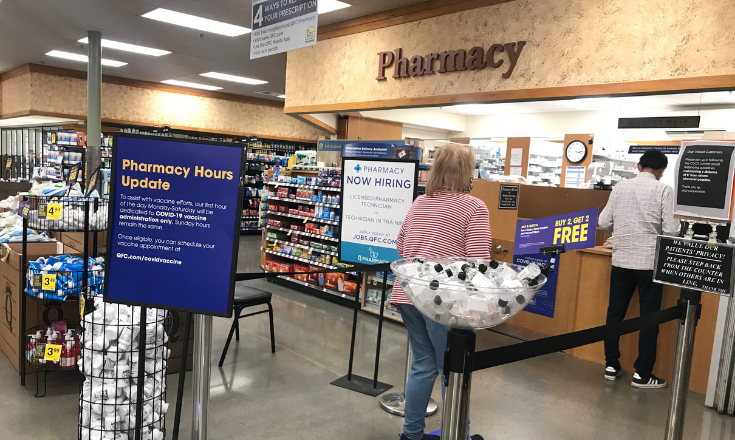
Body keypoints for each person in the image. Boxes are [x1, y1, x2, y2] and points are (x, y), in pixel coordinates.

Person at [391, 143, 492, 440]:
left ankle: (411, 435)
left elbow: (400, 245)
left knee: (423, 364)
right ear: (467, 172)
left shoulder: (420, 202)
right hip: (446, 300)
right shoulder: (474, 207)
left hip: (408, 293)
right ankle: (458, 434)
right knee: (452, 368)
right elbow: (479, 263)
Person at [598, 149, 680, 388]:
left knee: (615, 314)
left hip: (621, 260)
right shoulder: (664, 190)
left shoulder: (620, 187)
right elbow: (673, 231)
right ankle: (642, 374)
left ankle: (611, 365)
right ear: (662, 171)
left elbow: (604, 222)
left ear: (638, 166)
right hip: (648, 264)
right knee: (649, 318)